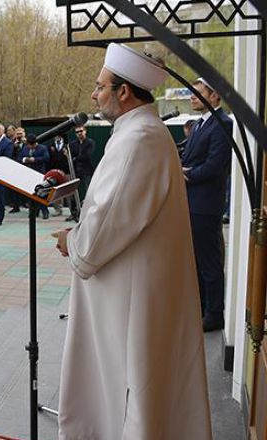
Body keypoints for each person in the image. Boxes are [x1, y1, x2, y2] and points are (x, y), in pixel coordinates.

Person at [54, 43, 211, 438]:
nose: (95, 95)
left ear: (124, 91)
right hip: (137, 288)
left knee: (128, 390)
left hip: (129, 298)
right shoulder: (143, 133)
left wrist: (72, 241)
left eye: (100, 86)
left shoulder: (138, 139)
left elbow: (102, 231)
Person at [182, 77, 233, 332]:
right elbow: (190, 157)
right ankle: (201, 309)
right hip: (193, 203)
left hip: (206, 205)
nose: (192, 96)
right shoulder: (200, 124)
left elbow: (215, 166)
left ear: (214, 96)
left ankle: (215, 314)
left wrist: (185, 174)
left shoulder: (223, 123)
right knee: (197, 261)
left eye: (197, 92)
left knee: (210, 262)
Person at [67, 125, 96, 222]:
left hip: (86, 171)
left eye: (81, 131)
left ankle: (89, 212)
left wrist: (75, 158)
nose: (79, 133)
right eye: (77, 132)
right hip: (75, 171)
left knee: (88, 191)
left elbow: (87, 155)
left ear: (85, 131)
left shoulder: (90, 142)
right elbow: (70, 155)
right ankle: (73, 213)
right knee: (73, 192)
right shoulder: (72, 144)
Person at [18, 134, 50, 219]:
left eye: (33, 145)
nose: (31, 146)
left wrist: (34, 160)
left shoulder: (42, 148)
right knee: (31, 194)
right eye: (29, 145)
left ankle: (44, 211)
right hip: (28, 174)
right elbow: (19, 158)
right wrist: (24, 160)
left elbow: (46, 158)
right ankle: (34, 211)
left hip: (39, 173)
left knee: (41, 193)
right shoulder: (24, 148)